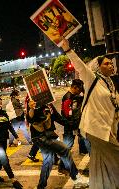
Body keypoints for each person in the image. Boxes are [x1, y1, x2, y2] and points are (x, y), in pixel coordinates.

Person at [61, 39, 119, 189]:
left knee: (99, 162)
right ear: (98, 67)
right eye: (106, 63)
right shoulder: (92, 78)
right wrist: (68, 49)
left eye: (111, 63)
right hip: (96, 129)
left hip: (108, 129)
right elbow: (80, 66)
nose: (110, 65)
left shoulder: (110, 83)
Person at [26, 99, 88, 189]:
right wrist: (31, 108)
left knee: (48, 161)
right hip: (40, 137)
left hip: (49, 135)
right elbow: (30, 118)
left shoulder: (49, 105)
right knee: (65, 150)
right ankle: (77, 178)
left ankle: (41, 186)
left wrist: (74, 124)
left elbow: (59, 118)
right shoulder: (35, 103)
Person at [58, 79, 89, 174]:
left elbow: (84, 98)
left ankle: (62, 166)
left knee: (85, 143)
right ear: (75, 87)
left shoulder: (74, 96)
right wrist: (72, 124)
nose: (80, 91)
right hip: (70, 127)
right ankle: (61, 167)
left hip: (75, 125)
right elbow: (66, 114)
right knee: (67, 146)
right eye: (79, 89)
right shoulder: (68, 97)